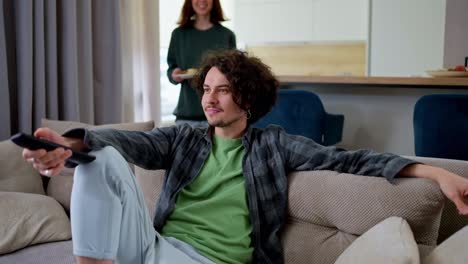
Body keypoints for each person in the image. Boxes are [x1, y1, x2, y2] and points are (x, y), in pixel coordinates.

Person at [23, 49, 468, 264]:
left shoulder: (273, 145)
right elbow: (126, 145)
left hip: (207, 261)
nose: (210, 100)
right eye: (207, 89)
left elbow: (351, 161)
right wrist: (69, 147)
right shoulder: (184, 138)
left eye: (223, 89)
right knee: (102, 156)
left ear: (247, 100)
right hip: (150, 246)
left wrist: (433, 172)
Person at [167, 0, 236, 127]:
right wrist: (174, 74)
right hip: (187, 113)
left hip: (219, 113)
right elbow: (171, 68)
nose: (202, 1)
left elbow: (234, 73)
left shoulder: (226, 35)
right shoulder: (178, 35)